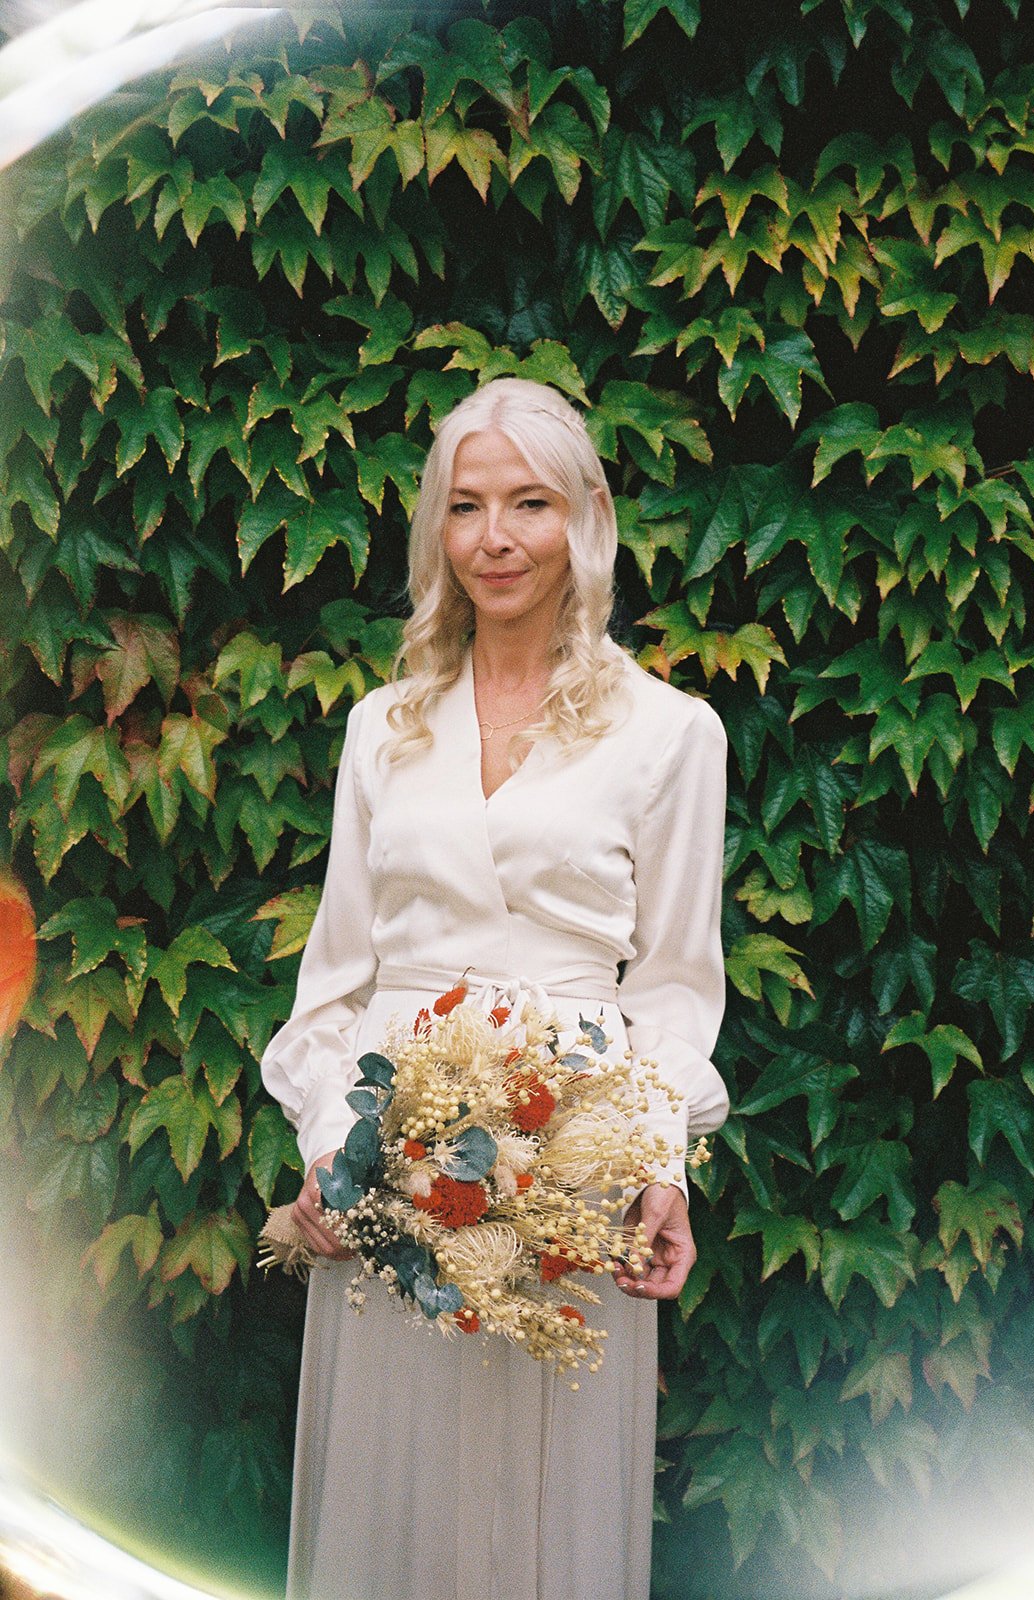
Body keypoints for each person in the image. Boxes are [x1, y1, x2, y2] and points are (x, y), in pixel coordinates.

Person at [260, 376, 730, 1600]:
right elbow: (333, 986)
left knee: (543, 1520)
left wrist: (658, 1163)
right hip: (389, 1157)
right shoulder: (383, 728)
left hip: (573, 1169)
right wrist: (331, 1148)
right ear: (436, 530)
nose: (496, 537)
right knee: (393, 1511)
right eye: (466, 507)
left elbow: (675, 992)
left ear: (585, 518)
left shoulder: (670, 734)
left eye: (529, 503)